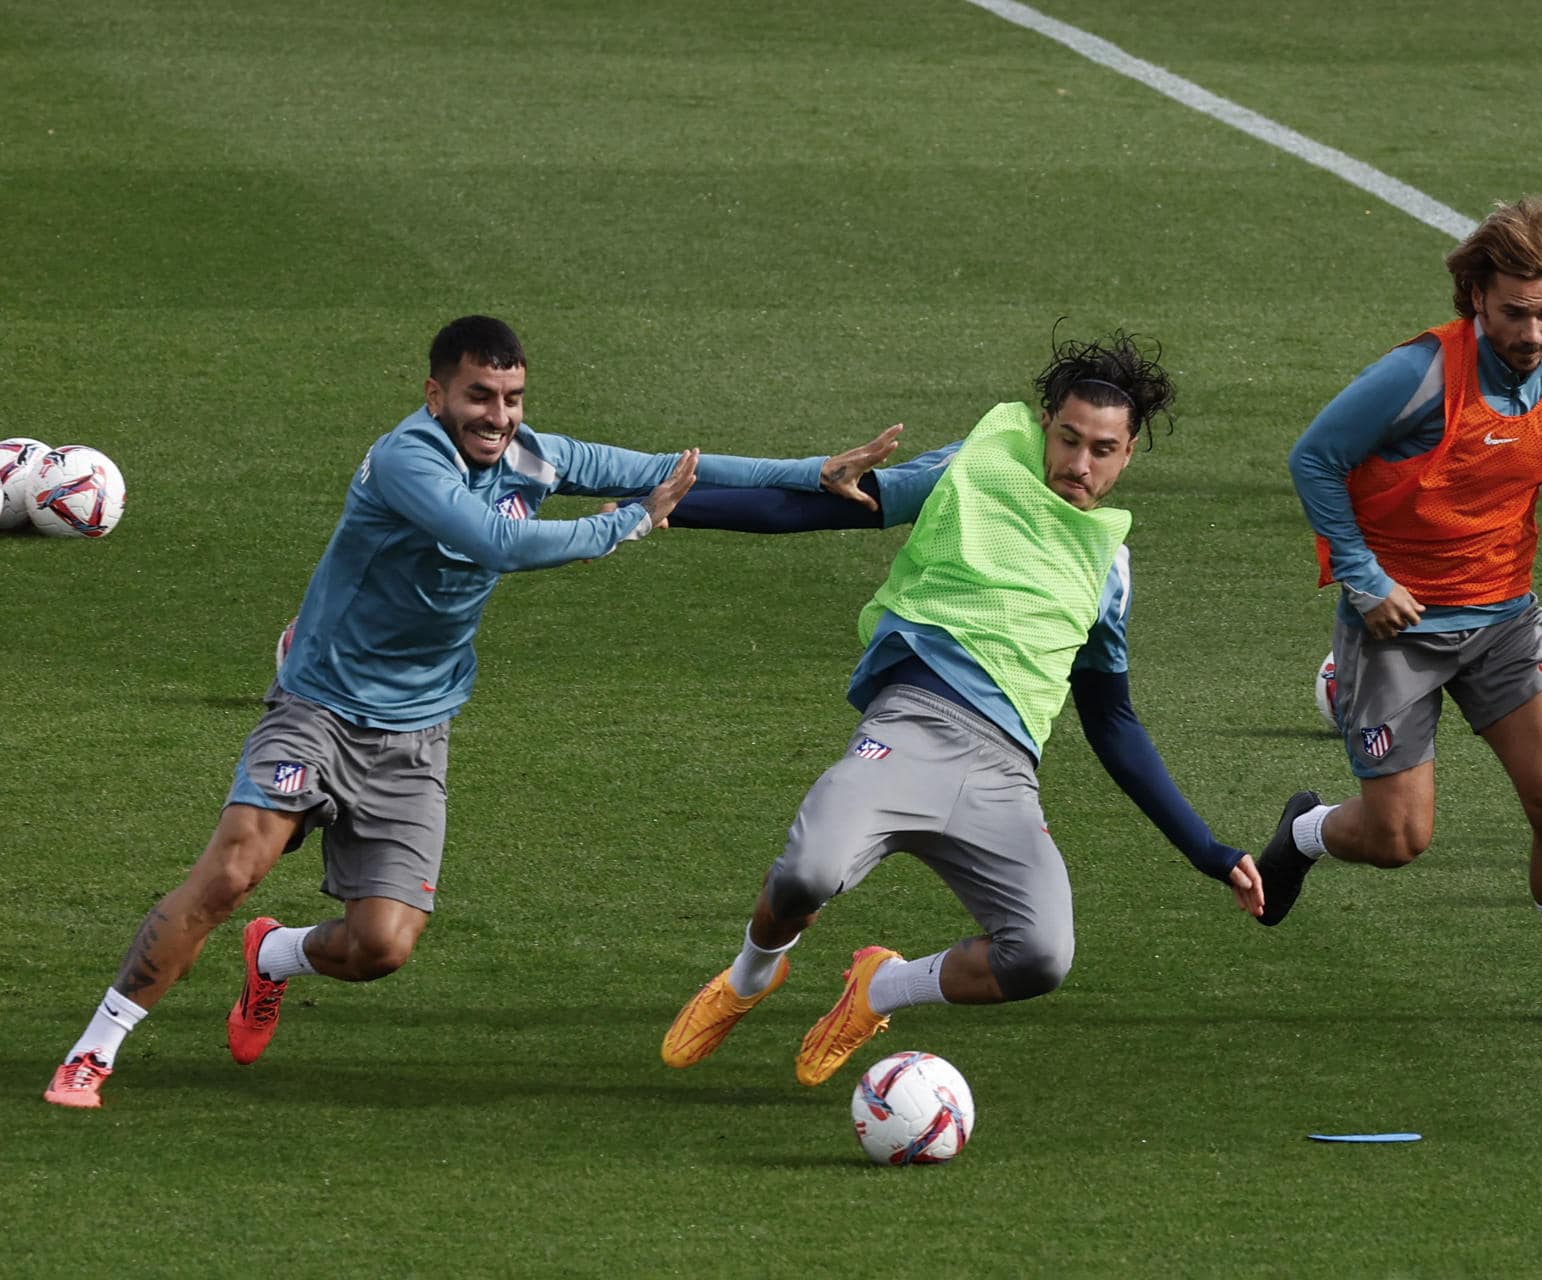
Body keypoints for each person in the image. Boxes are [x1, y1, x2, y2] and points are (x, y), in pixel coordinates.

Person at [43, 315, 900, 1109]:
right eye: (478, 396)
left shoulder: (533, 454)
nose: (497, 415)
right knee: (233, 868)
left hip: (417, 731)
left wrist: (812, 472)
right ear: (436, 396)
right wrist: (626, 528)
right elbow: (496, 542)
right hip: (321, 705)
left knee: (382, 946)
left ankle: (272, 956)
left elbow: (671, 468)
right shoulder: (409, 459)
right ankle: (96, 1048)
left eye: (512, 398)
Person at [655, 329, 1265, 1088]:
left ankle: (879, 988)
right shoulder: (976, 463)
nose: (1078, 465)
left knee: (1042, 956)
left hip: (1004, 779)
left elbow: (1112, 720)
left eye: (1101, 450)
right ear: (1045, 424)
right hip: (910, 727)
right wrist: (677, 509)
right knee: (807, 873)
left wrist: (1206, 850)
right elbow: (837, 508)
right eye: (1068, 440)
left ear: (1129, 454)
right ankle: (749, 978)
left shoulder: (1109, 565)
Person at [1274, 196, 1542, 1028]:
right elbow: (1315, 461)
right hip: (1397, 629)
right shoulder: (1416, 377)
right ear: (1477, 297)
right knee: (1398, 841)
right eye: (1514, 312)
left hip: (1505, 622)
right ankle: (1303, 833)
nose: (1531, 331)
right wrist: (1366, 580)